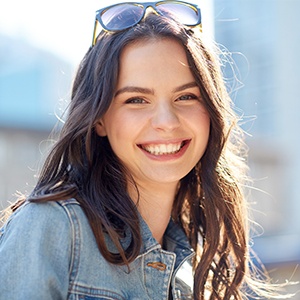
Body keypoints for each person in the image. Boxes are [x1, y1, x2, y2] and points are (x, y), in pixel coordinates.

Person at [0, 1, 292, 299]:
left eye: (186, 96)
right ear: (98, 118)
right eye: (136, 100)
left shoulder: (193, 265)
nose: (166, 122)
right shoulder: (51, 229)